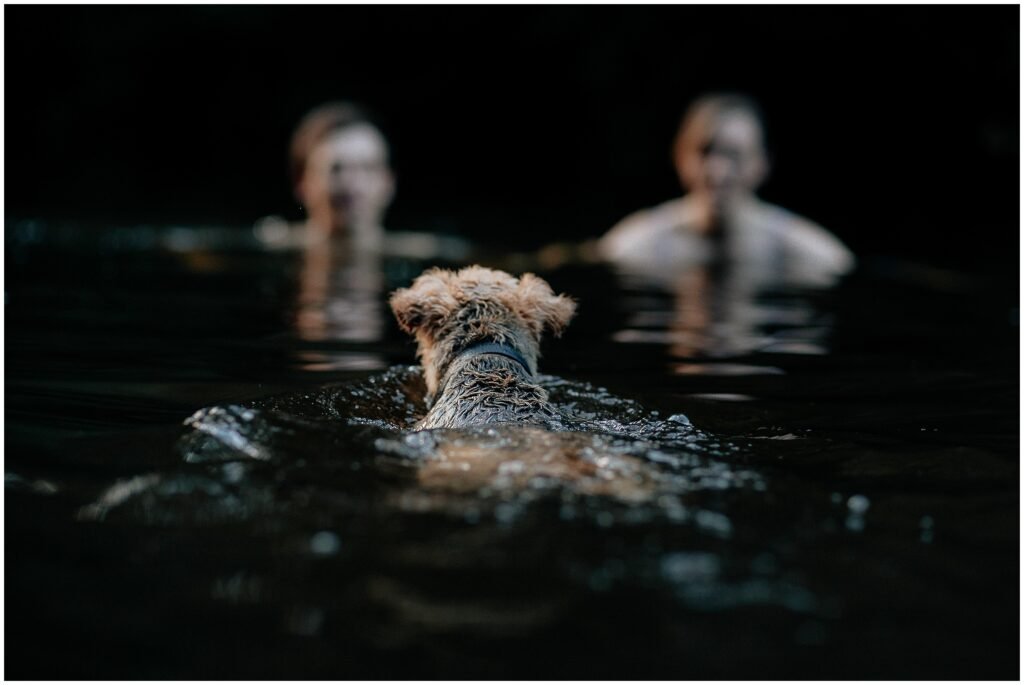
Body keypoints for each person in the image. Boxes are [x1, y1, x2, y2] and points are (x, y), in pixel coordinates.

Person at [598, 93, 854, 287]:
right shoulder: (638, 243)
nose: (717, 171)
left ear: (761, 164)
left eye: (734, 155)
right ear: (681, 157)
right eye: (705, 152)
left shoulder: (808, 251)